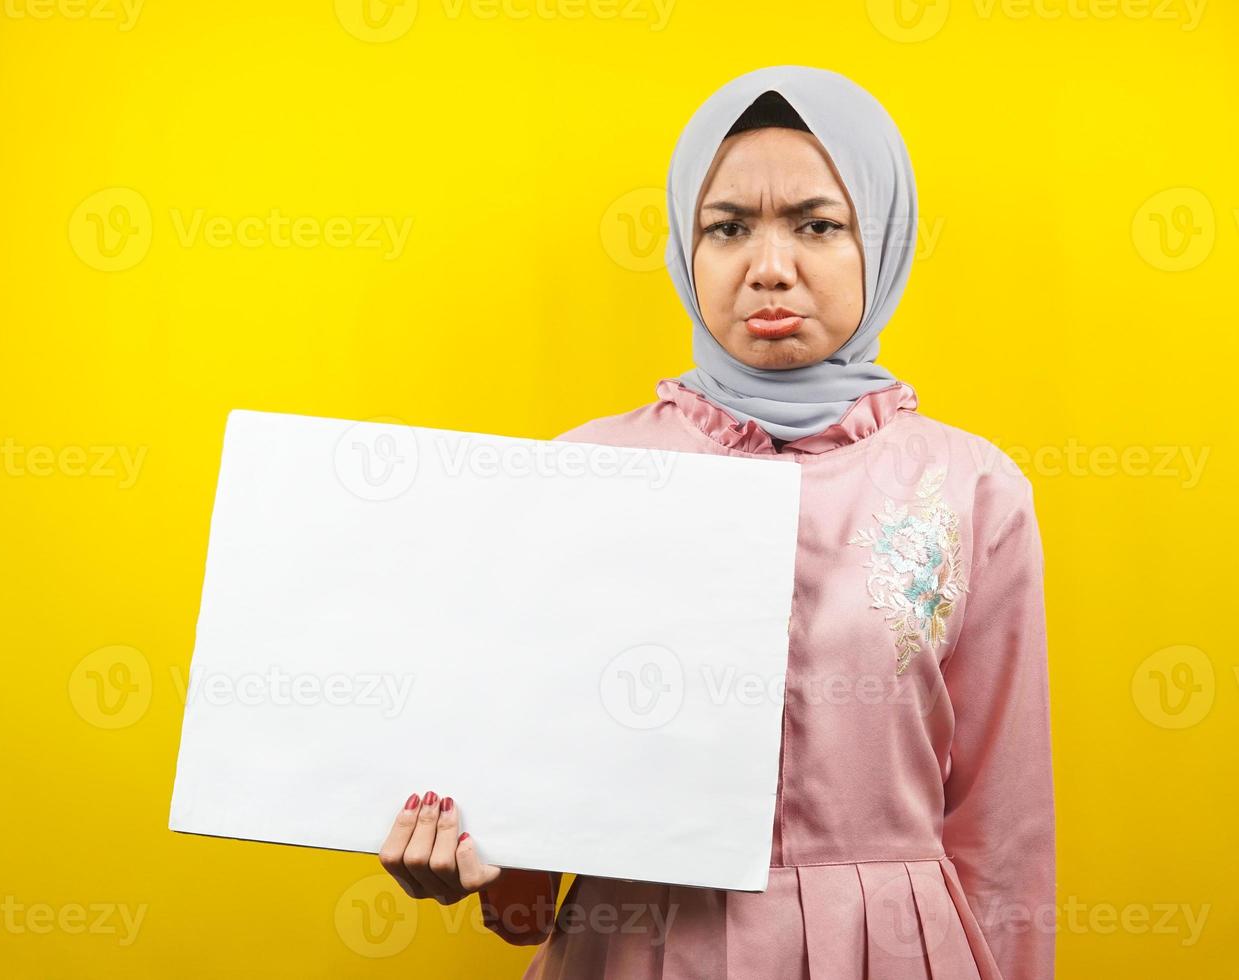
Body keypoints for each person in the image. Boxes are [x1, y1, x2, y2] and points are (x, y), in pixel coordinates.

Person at [378, 64, 1055, 980]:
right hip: (644, 946)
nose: (769, 266)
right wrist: (477, 861)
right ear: (684, 250)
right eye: (727, 227)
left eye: (818, 224)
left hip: (890, 950)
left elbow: (1004, 825)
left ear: (881, 242)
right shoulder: (586, 473)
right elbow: (530, 871)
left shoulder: (972, 486)